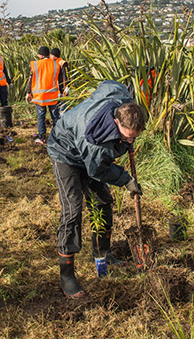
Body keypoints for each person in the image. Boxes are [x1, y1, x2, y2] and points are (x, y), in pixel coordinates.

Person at [46, 80, 146, 299]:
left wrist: (126, 140)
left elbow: (109, 84)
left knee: (102, 202)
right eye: (127, 136)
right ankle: (67, 275)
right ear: (115, 120)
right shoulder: (96, 141)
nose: (130, 141)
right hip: (66, 154)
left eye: (134, 137)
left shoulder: (122, 101)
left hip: (89, 153)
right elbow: (96, 170)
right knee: (72, 210)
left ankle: (103, 252)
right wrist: (126, 179)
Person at [26, 46, 61, 144]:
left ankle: (42, 138)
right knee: (55, 117)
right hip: (53, 96)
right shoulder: (56, 64)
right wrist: (62, 92)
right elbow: (61, 80)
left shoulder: (35, 65)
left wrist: (28, 92)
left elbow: (30, 79)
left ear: (41, 55)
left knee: (41, 116)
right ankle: (58, 136)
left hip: (40, 96)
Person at [50, 48, 70, 114]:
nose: (50, 56)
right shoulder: (52, 63)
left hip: (62, 90)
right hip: (55, 91)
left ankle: (63, 123)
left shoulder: (62, 63)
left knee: (62, 110)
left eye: (51, 55)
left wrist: (67, 86)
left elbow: (66, 75)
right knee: (56, 110)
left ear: (55, 56)